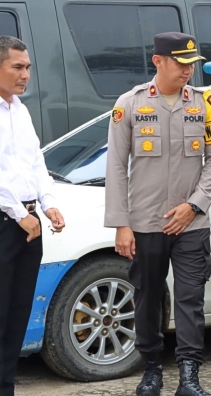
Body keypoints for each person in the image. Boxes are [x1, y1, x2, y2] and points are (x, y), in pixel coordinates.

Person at [104, 32, 211, 396]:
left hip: (192, 222)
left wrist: (195, 205)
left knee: (191, 299)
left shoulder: (205, 104)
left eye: (192, 63)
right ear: (158, 61)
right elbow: (115, 166)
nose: (188, 70)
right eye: (181, 62)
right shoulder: (130, 104)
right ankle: (153, 368)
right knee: (148, 296)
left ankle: (190, 376)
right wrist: (121, 224)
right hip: (146, 223)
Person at [0, 35, 65, 396]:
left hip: (28, 222)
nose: (26, 75)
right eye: (18, 67)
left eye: (28, 68)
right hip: (6, 220)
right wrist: (15, 211)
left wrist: (48, 201)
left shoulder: (20, 110)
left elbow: (34, 162)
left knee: (18, 312)